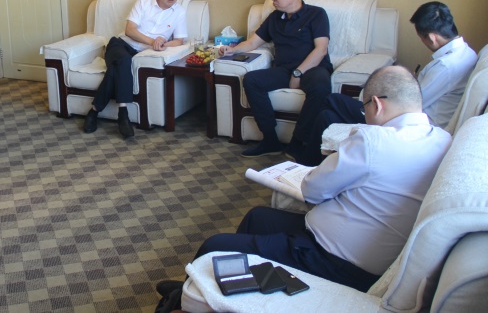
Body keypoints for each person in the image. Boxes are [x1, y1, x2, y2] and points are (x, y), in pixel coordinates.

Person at [156, 66, 451, 303]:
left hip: (329, 258)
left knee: (214, 245)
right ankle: (213, 291)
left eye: (365, 110)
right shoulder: (441, 139)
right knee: (257, 217)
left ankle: (181, 300)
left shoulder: (374, 141)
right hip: (359, 249)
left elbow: (313, 189)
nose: (365, 118)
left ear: (376, 104)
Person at [295, 1, 477, 166]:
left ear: (431, 37)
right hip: (409, 115)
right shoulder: (464, 53)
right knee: (326, 116)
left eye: (421, 38)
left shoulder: (445, 66)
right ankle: (306, 162)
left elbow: (411, 102)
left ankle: (300, 153)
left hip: (407, 123)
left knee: (331, 99)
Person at [220, 0, 333, 157]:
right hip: (284, 70)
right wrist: (231, 50)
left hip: (313, 68)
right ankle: (270, 140)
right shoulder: (274, 18)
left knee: (321, 86)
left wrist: (298, 73)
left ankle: (298, 142)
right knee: (251, 80)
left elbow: (321, 49)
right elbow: (252, 42)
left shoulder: (316, 14)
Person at [83, 0, 187, 139]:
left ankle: (94, 111)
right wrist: (152, 41)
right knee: (124, 60)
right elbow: (130, 30)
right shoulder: (143, 2)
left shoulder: (179, 11)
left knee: (116, 69)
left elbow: (179, 40)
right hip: (120, 45)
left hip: (139, 54)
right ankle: (123, 113)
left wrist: (163, 44)